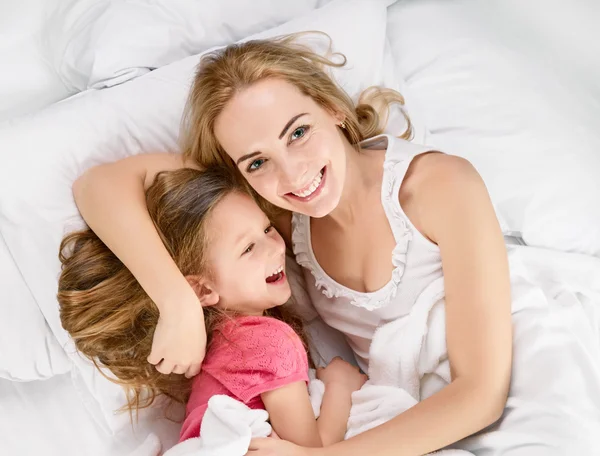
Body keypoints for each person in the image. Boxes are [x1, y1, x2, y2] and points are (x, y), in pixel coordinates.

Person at [73, 34, 599, 455]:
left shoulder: (437, 186)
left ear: (333, 109)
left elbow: (480, 394)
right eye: (255, 161)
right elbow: (97, 187)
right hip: (408, 416)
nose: (292, 170)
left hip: (514, 381)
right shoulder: (276, 211)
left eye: (298, 132)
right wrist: (176, 300)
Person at [58, 166, 366, 445]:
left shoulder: (219, 343)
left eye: (268, 228)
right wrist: (341, 388)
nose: (274, 247)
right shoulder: (270, 341)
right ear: (203, 289)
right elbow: (311, 451)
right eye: (247, 249)